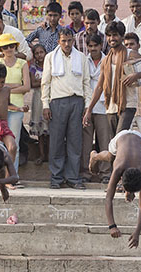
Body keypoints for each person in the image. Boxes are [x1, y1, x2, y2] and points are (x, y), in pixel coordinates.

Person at [84, 23, 141, 138]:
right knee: (113, 143)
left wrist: (136, 75)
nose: (112, 38)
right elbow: (99, 87)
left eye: (115, 35)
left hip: (127, 104)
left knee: (120, 138)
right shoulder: (106, 60)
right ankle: (95, 156)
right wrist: (89, 110)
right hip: (111, 106)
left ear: (122, 37)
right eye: (109, 35)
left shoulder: (130, 54)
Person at [42, 29, 92, 190]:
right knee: (56, 141)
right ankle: (56, 177)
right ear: (58, 41)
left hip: (77, 101)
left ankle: (73, 177)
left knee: (75, 142)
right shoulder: (50, 57)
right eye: (63, 41)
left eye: (69, 40)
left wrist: (87, 106)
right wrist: (45, 104)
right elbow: (46, 82)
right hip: (57, 102)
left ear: (73, 41)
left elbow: (86, 83)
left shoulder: (81, 58)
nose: (67, 44)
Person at [88, 128, 141, 248]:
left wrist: (137, 232)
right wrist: (112, 226)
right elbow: (108, 198)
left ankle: (129, 192)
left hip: (139, 139)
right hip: (121, 137)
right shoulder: (118, 168)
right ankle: (94, 156)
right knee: (110, 157)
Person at [0, 33, 30, 174]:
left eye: (11, 46)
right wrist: (15, 86)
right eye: (6, 47)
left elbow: (26, 87)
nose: (9, 49)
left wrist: (5, 87)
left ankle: (12, 174)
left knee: (14, 143)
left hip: (17, 108)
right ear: (1, 49)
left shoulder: (22, 63)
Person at [81, 34, 110, 182]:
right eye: (90, 46)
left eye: (95, 46)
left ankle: (105, 173)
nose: (93, 49)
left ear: (101, 46)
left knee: (105, 140)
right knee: (86, 142)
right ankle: (86, 172)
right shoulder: (83, 61)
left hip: (103, 106)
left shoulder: (108, 60)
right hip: (86, 106)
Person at [29, 44, 48, 165]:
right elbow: (33, 83)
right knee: (40, 130)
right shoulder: (33, 68)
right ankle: (42, 154)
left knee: (49, 128)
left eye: (41, 52)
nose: (39, 55)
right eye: (37, 53)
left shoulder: (50, 65)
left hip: (49, 99)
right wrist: (45, 81)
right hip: (37, 99)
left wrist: (40, 81)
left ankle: (50, 154)